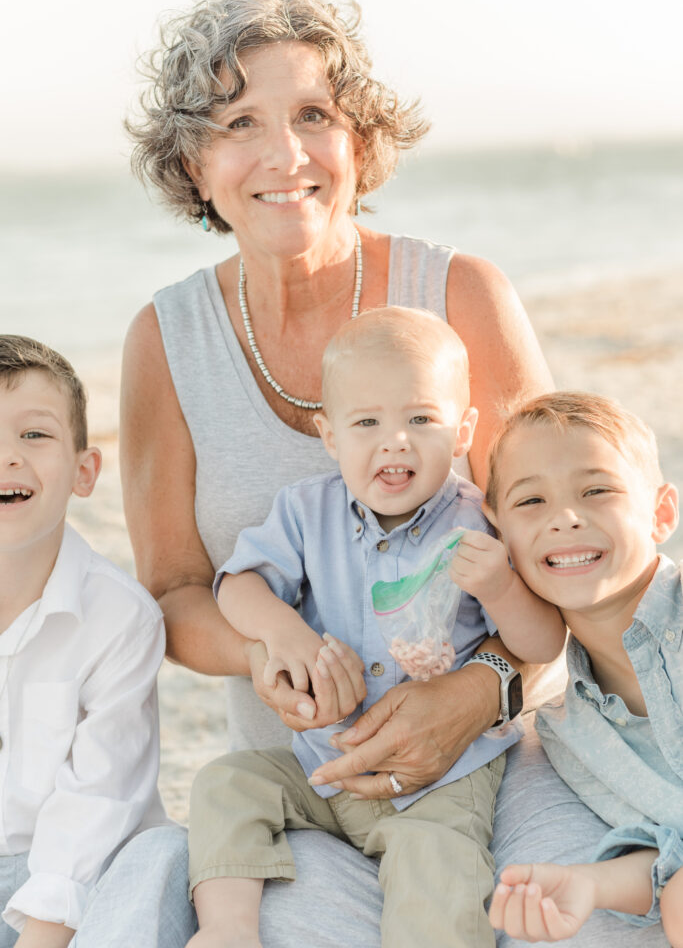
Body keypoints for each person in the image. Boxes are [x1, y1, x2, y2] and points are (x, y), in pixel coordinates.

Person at [118, 0, 668, 947]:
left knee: (565, 927)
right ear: (194, 166)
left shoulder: (460, 295)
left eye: (313, 115)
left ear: (360, 143)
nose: (284, 154)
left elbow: (555, 543)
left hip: (500, 753)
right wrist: (271, 650)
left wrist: (470, 694)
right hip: (317, 768)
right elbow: (173, 592)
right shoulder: (166, 341)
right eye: (239, 121)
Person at [187, 306, 563, 948]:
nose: (396, 441)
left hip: (441, 782)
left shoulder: (479, 523)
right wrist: (283, 634)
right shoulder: (307, 511)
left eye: (421, 418)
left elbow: (544, 644)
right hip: (320, 764)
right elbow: (238, 584)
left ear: (465, 429)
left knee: (441, 869)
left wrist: (501, 587)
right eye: (367, 423)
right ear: (329, 435)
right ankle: (226, 930)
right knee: (226, 784)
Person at [474, 392, 681, 945]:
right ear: (501, 536)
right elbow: (669, 850)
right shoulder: (569, 732)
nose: (565, 519)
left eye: (597, 491)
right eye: (531, 501)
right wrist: (588, 884)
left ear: (661, 512)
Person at [0, 336, 169, 948]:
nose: (8, 458)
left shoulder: (122, 619)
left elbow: (96, 802)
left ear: (84, 471)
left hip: (81, 878)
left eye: (34, 435)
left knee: (164, 854)